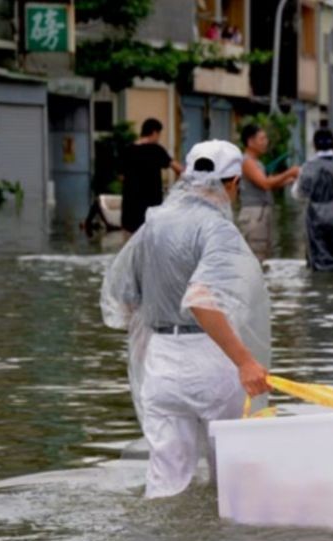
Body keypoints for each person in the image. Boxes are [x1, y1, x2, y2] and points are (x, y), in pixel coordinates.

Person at [101, 140, 271, 499]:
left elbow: (125, 297)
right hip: (211, 359)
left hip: (161, 361)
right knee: (230, 483)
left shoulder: (153, 222)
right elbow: (200, 299)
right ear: (233, 183)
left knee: (165, 484)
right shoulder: (217, 229)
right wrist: (245, 361)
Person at [292, 129, 333, 271]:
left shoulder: (308, 166)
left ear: (314, 145)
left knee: (317, 256)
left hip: (315, 216)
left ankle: (320, 288)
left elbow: (298, 193)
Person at [239, 123, 300, 261]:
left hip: (261, 213)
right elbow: (265, 184)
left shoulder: (256, 162)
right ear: (250, 142)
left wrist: (288, 180)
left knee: (264, 254)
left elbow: (267, 183)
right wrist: (289, 172)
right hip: (254, 215)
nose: (265, 142)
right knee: (256, 257)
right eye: (262, 139)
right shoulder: (247, 162)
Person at [120, 118, 183, 233]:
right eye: (159, 135)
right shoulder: (156, 150)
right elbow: (179, 169)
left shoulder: (127, 150)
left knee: (130, 247)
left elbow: (121, 177)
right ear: (154, 133)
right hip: (150, 212)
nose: (158, 138)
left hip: (129, 211)